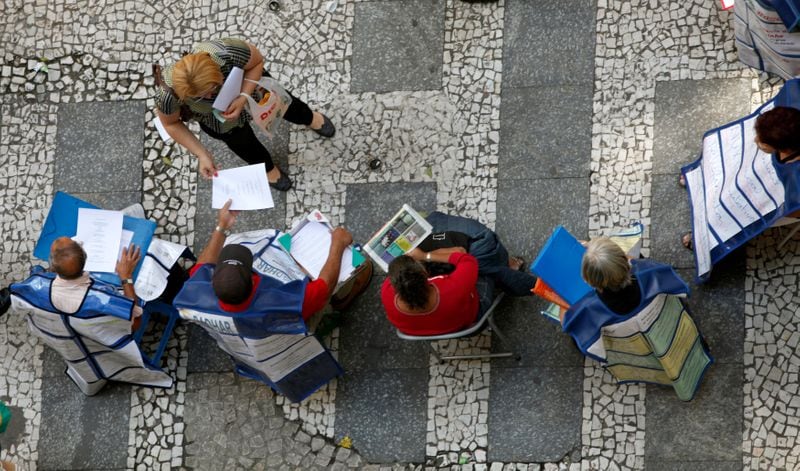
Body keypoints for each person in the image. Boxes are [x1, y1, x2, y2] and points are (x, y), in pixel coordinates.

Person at [155, 37, 336, 191]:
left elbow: (256, 61)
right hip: (219, 121)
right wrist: (201, 154)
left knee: (285, 106)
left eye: (213, 89)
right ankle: (267, 169)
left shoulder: (226, 51)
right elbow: (171, 124)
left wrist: (243, 96)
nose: (210, 96)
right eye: (200, 97)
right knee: (244, 145)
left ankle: (310, 118)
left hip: (250, 87)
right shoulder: (167, 95)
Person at [9, 238, 174, 395]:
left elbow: (19, 302)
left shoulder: (34, 285)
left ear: (52, 267)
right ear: (85, 258)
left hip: (67, 344)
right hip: (100, 347)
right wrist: (126, 277)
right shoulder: (102, 299)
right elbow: (134, 323)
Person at [561, 238, 713, 401]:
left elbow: (569, 324)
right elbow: (679, 287)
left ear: (588, 280)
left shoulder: (589, 308)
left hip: (624, 340)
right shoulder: (648, 273)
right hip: (658, 322)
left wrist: (562, 306)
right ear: (625, 261)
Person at [382, 211, 536, 336]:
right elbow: (463, 256)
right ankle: (510, 269)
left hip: (442, 330)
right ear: (425, 275)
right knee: (483, 243)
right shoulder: (452, 288)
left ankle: (508, 271)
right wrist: (424, 256)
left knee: (435, 226)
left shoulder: (387, 295)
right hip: (475, 314)